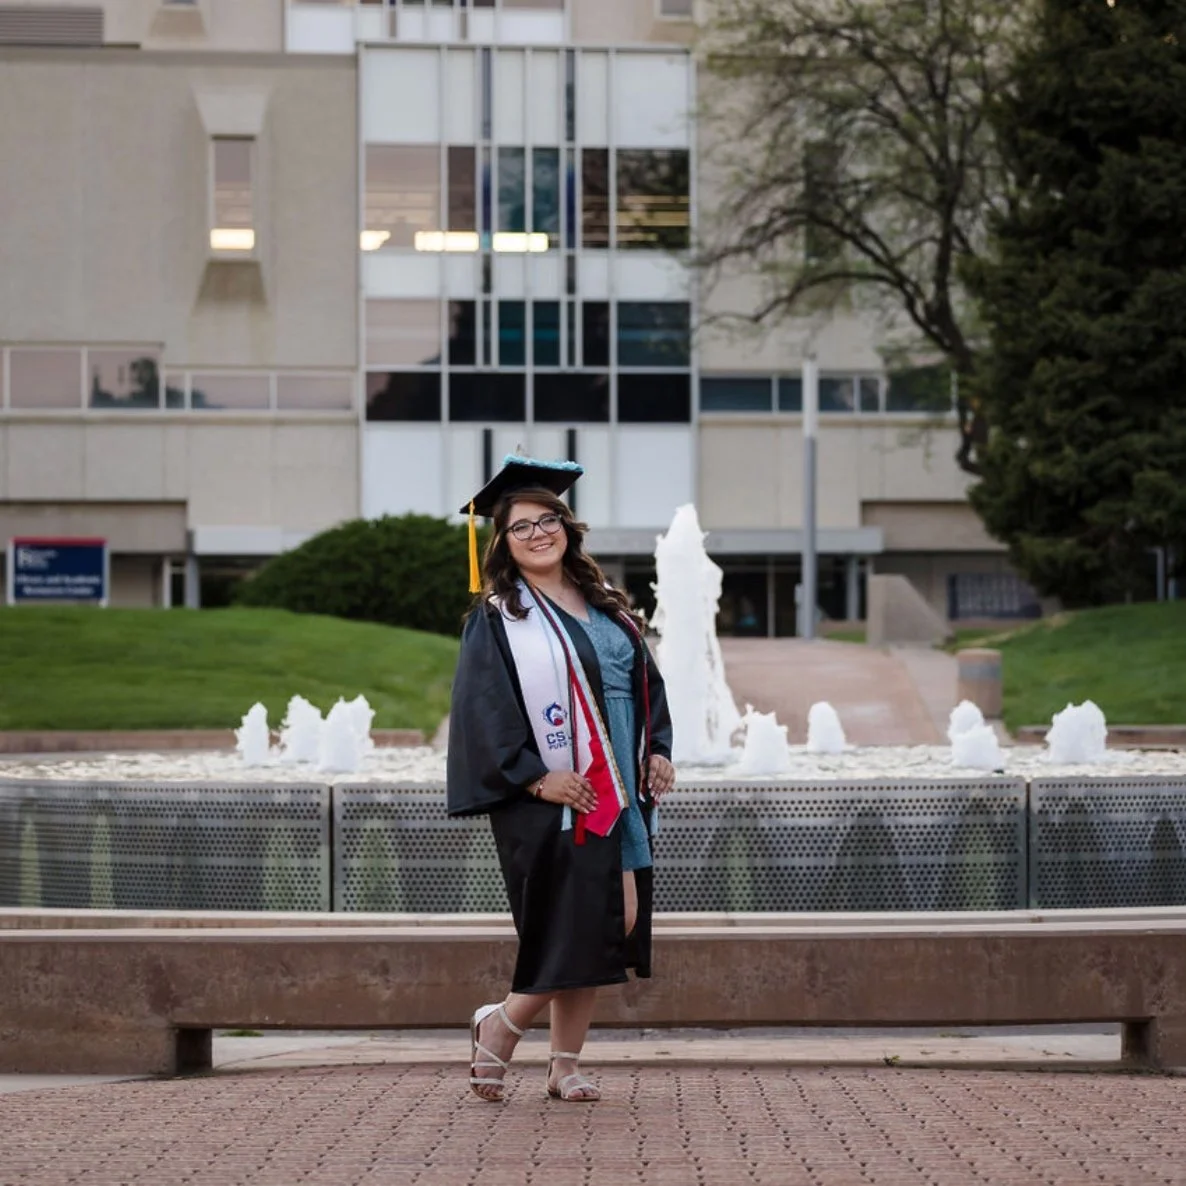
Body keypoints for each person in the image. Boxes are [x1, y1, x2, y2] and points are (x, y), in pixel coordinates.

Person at [446, 455, 676, 1104]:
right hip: (553, 796)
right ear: (502, 544)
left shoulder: (607, 606)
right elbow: (483, 710)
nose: (539, 533)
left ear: (569, 529)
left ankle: (564, 1063)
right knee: (584, 922)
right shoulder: (500, 619)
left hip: (617, 792)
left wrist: (656, 746)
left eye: (549, 520)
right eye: (522, 527)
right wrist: (533, 777)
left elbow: (644, 684)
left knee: (610, 921)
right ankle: (503, 1025)